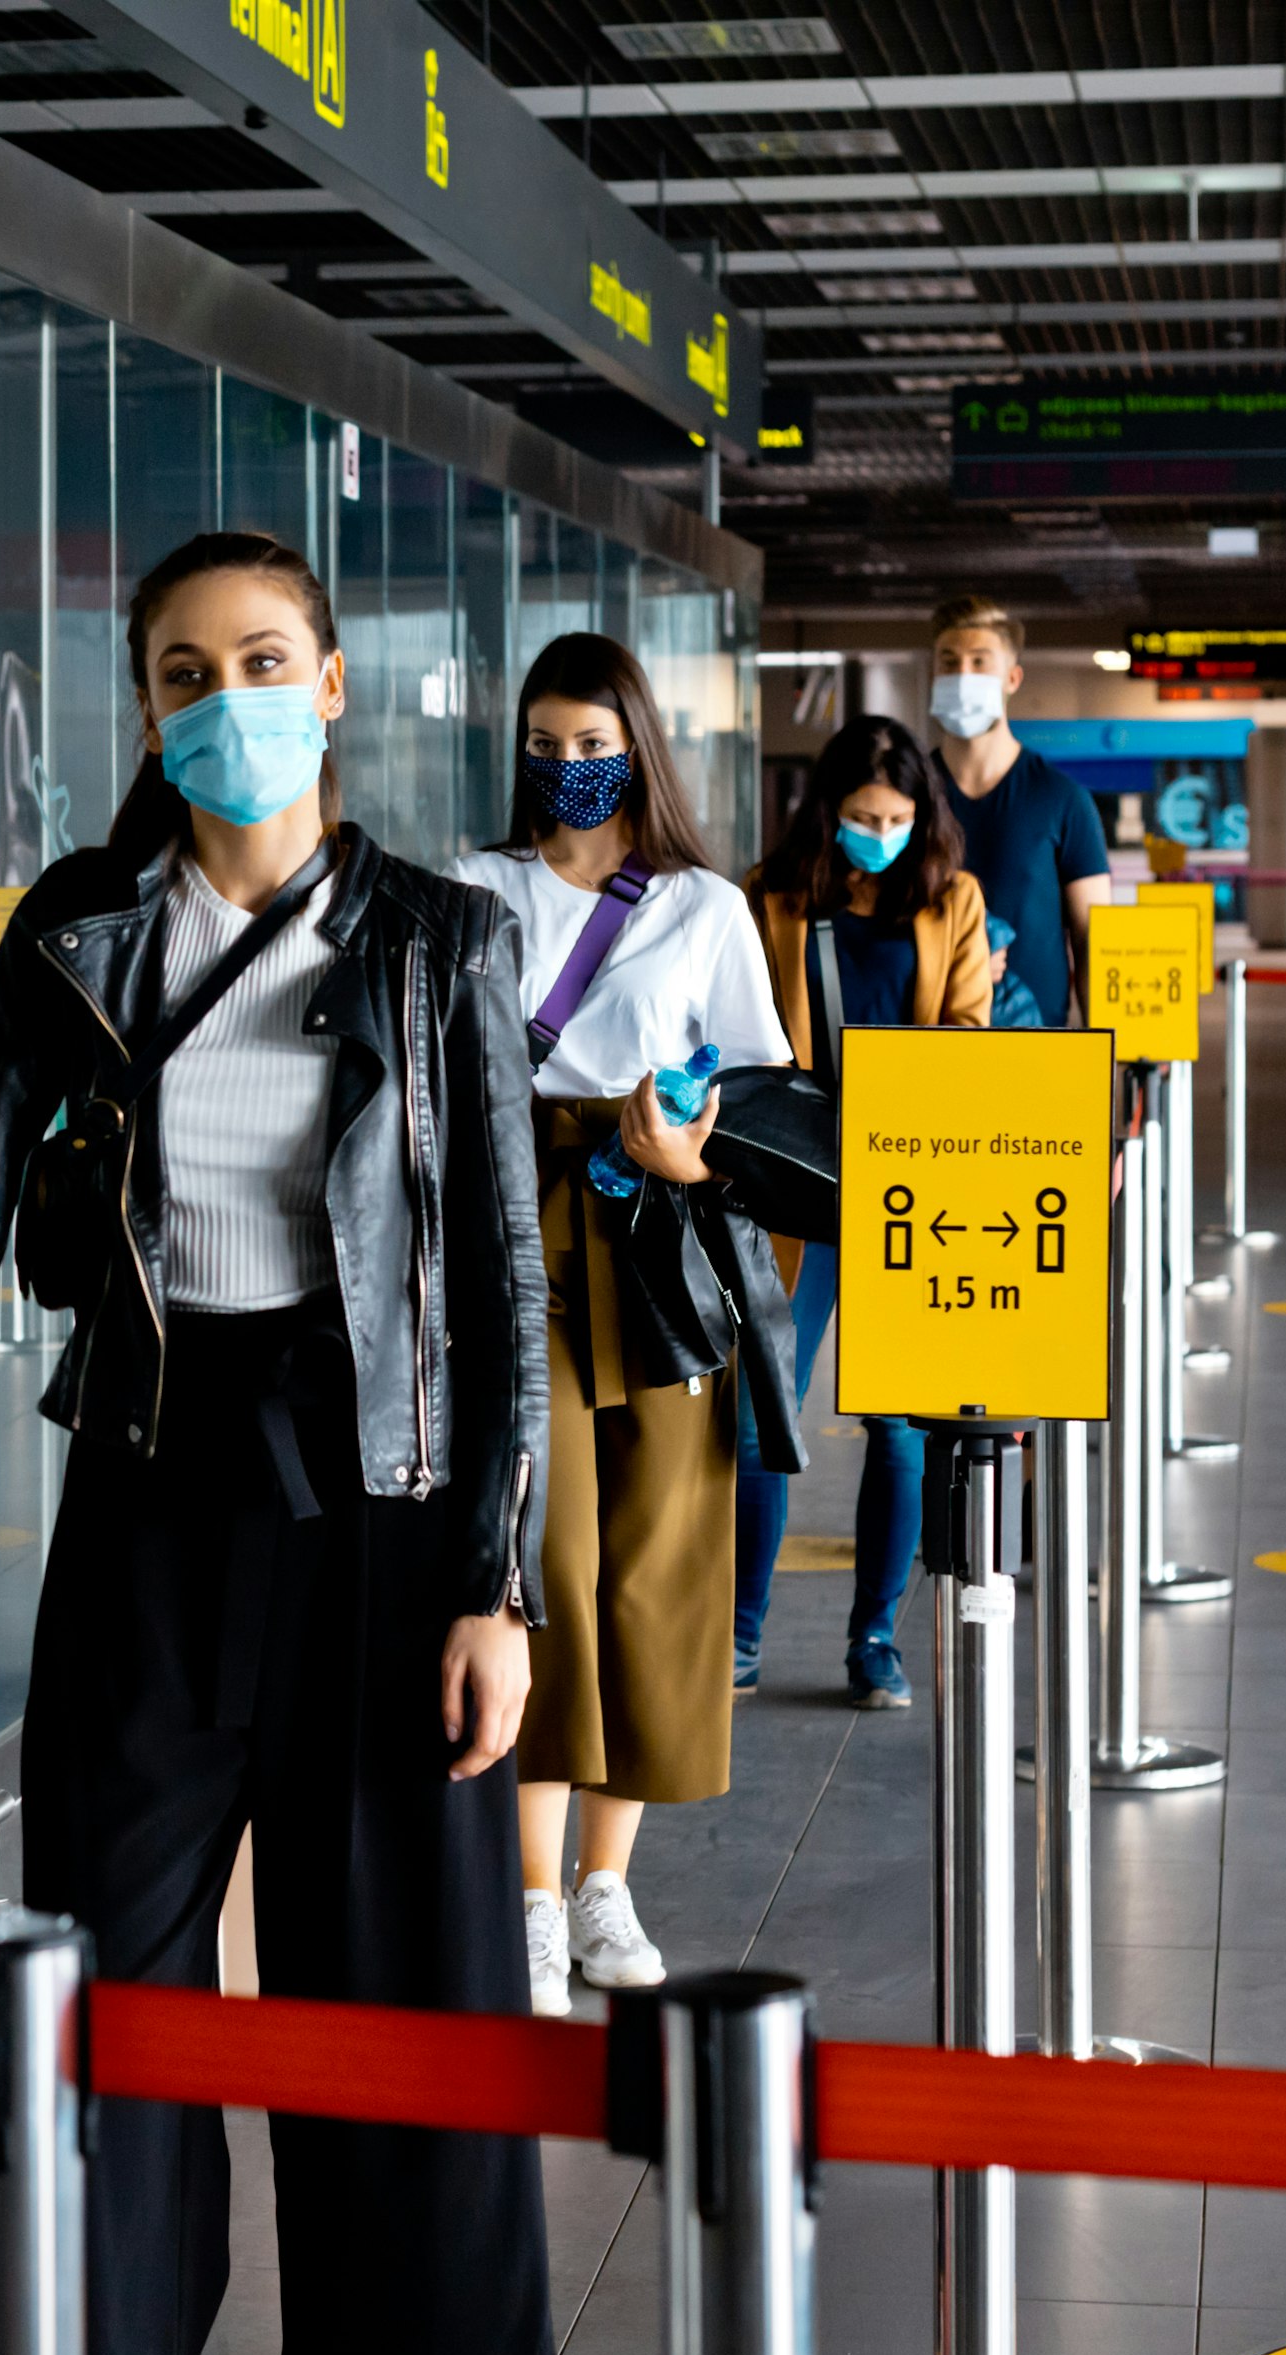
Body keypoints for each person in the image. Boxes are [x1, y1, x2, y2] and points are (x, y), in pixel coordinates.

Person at [0, 531, 558, 2355]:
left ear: (337, 683)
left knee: (378, 1990)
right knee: (110, 1980)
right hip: (153, 1491)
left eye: (265, 658)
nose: (229, 697)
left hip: (378, 1508)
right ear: (148, 700)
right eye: (187, 669)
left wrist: (499, 1582)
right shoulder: (83, 933)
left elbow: (504, 1289)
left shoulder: (443, 939)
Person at [446, 632, 794, 2019]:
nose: (571, 768)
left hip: (653, 1243)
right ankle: (529, 1902)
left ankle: (605, 1886)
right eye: (549, 742)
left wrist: (688, 1162)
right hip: (513, 1225)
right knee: (540, 1557)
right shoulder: (474, 891)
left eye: (597, 745)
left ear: (640, 746)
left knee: (656, 1561)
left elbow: (761, 1100)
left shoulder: (704, 908)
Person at [737, 714, 995, 1710]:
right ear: (827, 813)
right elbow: (745, 1028)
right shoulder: (775, 897)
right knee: (764, 1421)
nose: (876, 831)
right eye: (858, 816)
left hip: (904, 1194)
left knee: (896, 1429)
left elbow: (969, 1033)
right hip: (793, 1191)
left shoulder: (953, 901)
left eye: (893, 816)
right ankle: (741, 1635)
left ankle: (874, 1639)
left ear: (920, 814)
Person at [924, 594, 1111, 1026]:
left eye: (979, 662)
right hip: (925, 1030)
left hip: (1036, 1037)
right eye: (948, 662)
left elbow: (1092, 940)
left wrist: (1104, 1044)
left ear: (1012, 678)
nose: (962, 674)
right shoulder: (910, 797)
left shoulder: (1063, 799)